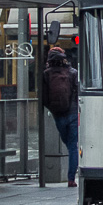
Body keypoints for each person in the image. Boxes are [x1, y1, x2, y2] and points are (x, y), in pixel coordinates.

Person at [43, 46, 79, 187]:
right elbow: (77, 92)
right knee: (72, 146)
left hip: (58, 114)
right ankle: (71, 179)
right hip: (73, 113)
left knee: (67, 142)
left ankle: (70, 176)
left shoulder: (46, 74)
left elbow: (44, 96)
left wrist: (53, 109)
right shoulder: (72, 72)